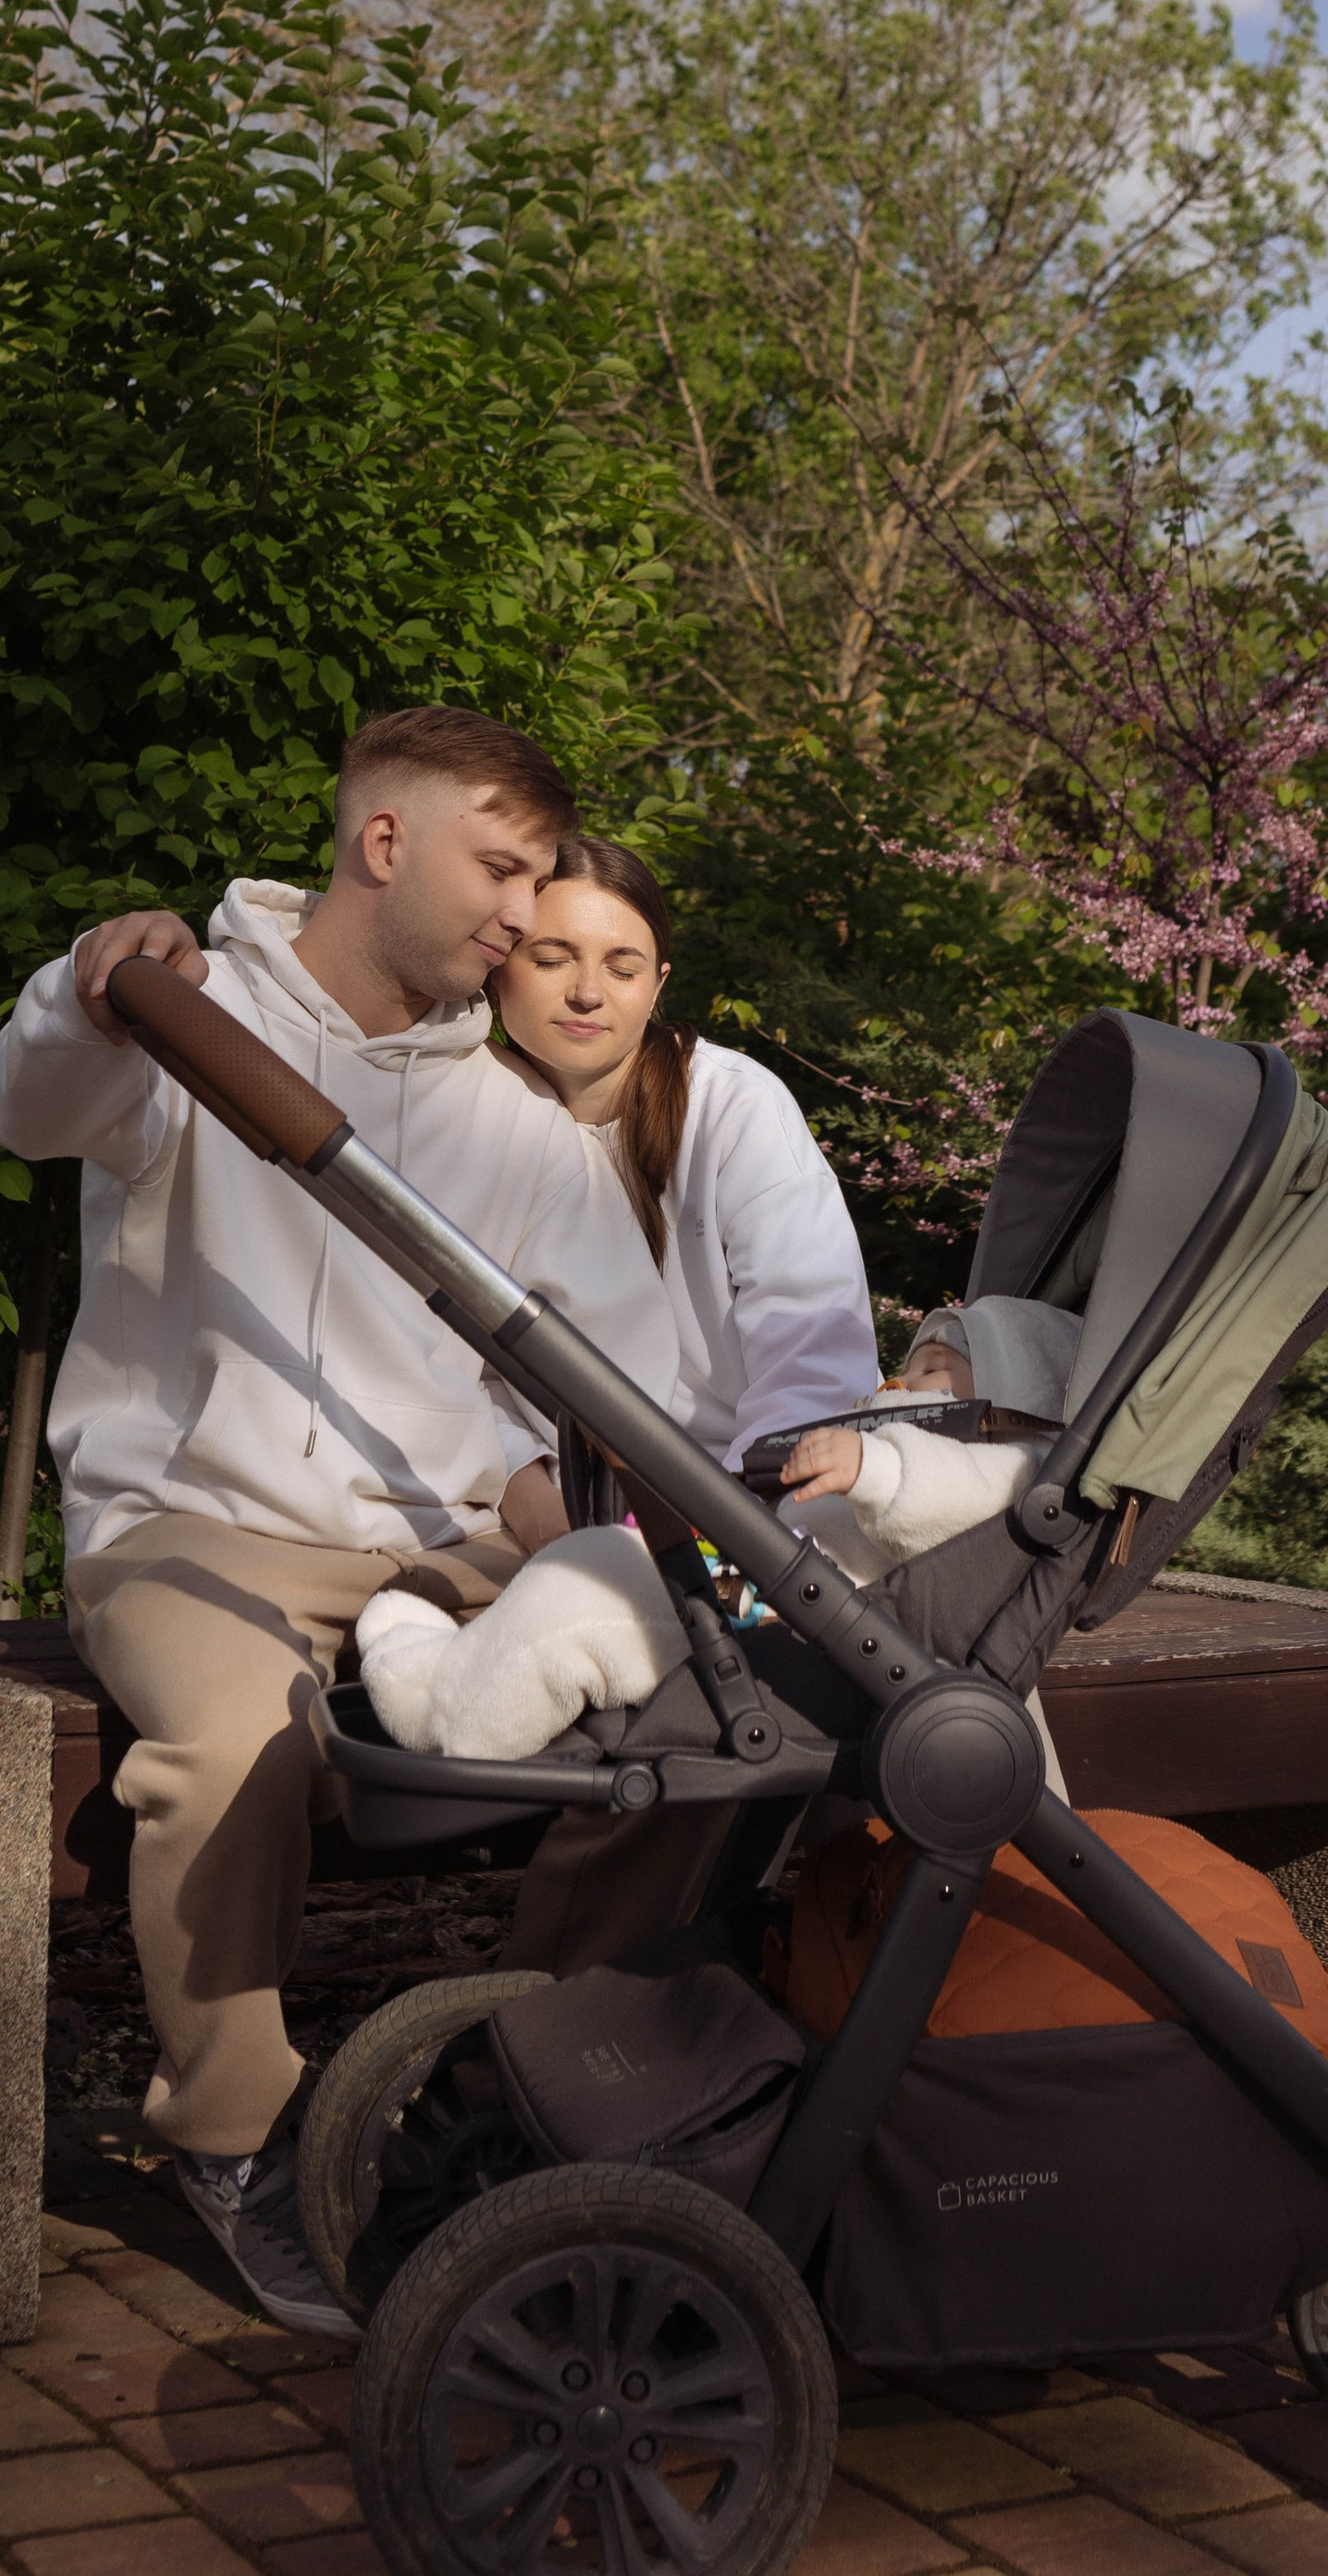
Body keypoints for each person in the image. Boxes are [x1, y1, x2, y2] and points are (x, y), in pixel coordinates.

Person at [0, 708, 677, 2331]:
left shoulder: (517, 1121)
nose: (524, 915)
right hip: (194, 1527)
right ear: (384, 844)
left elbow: (595, 1396)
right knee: (234, 1755)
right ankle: (231, 2138)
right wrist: (89, 971)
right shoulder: (185, 1011)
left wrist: (570, 1504)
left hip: (441, 1551)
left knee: (694, 1715)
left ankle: (529, 2093)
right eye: (499, 870)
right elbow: (30, 1106)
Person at [489, 835, 881, 1967]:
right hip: (569, 1516)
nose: (584, 991)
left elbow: (810, 1344)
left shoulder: (726, 1103)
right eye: (552, 955)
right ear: (499, 963)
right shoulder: (462, 1117)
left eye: (621, 963)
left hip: (761, 1516)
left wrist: (747, 1542)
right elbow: (458, 1385)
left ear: (661, 980)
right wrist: (562, 1532)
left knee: (732, 1713)